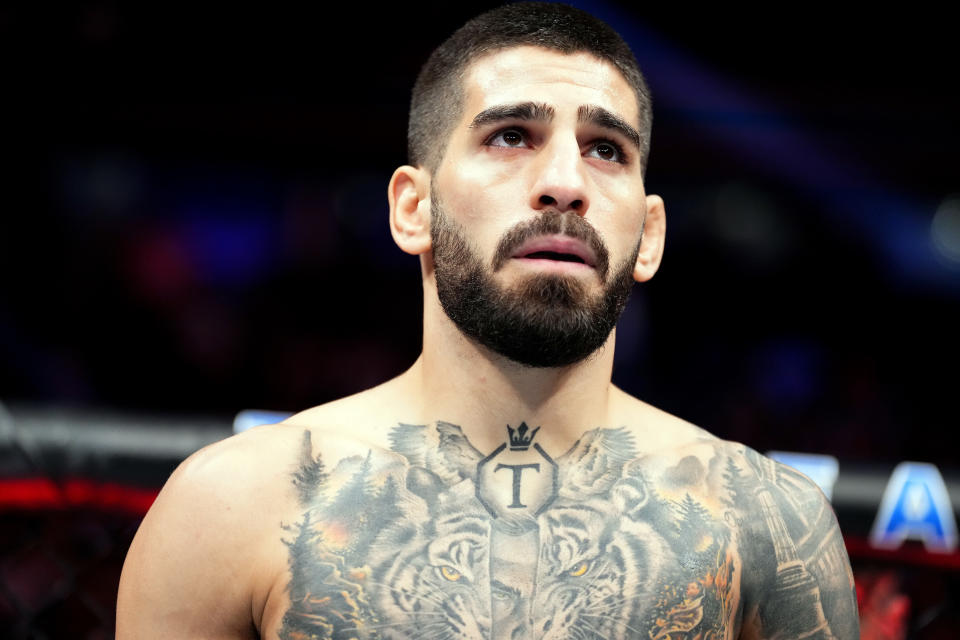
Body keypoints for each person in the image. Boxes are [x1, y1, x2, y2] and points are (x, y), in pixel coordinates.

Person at [117, 3, 859, 638]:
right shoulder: (232, 508)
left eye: (606, 149)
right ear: (414, 207)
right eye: (510, 136)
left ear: (651, 235)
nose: (566, 183)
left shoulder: (762, 523)